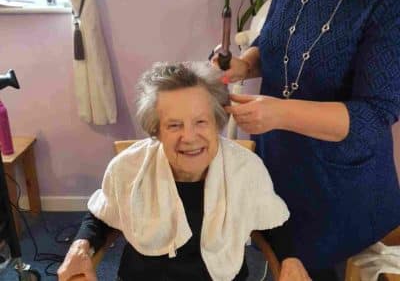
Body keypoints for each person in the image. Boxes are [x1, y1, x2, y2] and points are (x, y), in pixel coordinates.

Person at [57, 62, 308, 281]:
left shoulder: (246, 169)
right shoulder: (127, 167)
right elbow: (102, 214)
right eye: (174, 125)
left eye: (201, 122)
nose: (189, 137)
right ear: (156, 131)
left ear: (217, 122)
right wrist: (79, 247)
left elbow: (272, 221)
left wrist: (290, 260)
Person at [212, 0, 400, 280]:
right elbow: (272, 41)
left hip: (339, 189)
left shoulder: (387, 5)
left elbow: (375, 115)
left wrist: (281, 114)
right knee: (276, 248)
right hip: (277, 162)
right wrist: (244, 65)